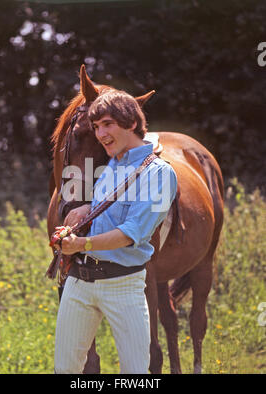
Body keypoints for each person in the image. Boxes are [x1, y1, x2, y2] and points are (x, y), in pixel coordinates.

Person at [54, 90, 177, 374]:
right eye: (96, 127)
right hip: (79, 282)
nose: (100, 133)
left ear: (131, 123)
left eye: (107, 124)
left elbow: (132, 232)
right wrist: (87, 210)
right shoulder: (111, 165)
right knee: (66, 370)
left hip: (123, 285)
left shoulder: (160, 174)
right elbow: (108, 205)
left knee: (135, 373)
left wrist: (80, 244)